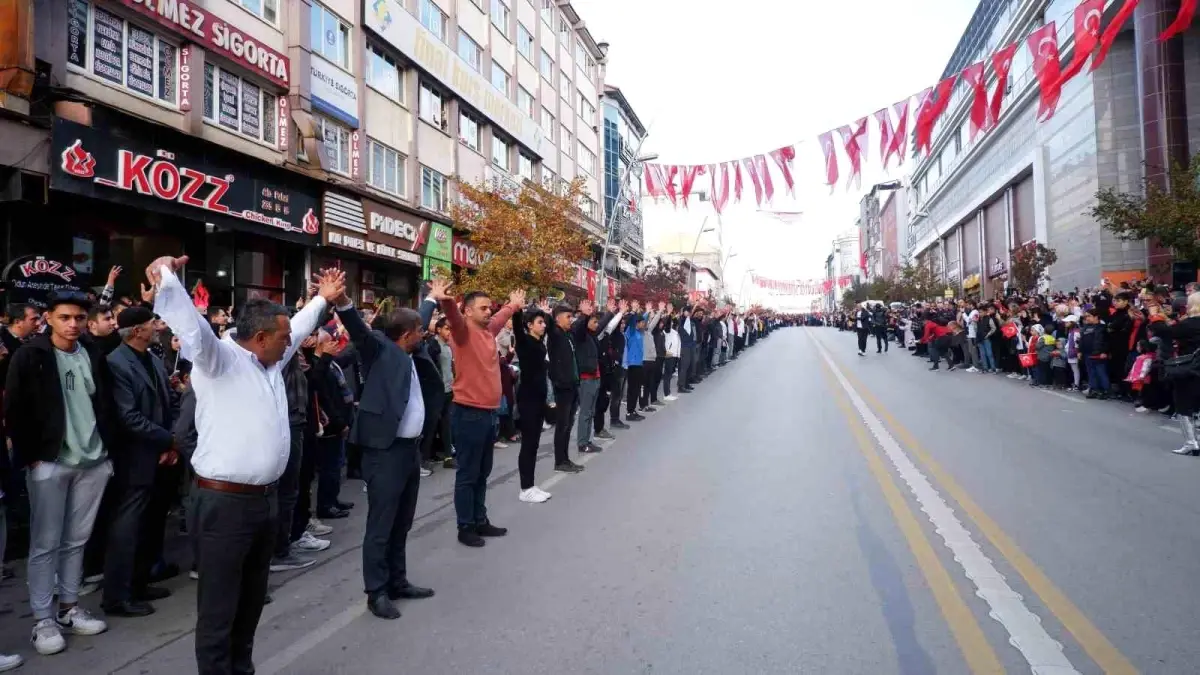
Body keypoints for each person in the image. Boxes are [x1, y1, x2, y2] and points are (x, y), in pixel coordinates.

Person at [148, 253, 344, 675]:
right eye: (283, 336)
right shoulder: (218, 360)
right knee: (219, 607)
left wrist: (323, 299)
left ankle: (242, 668)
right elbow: (191, 327)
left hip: (263, 503)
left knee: (251, 602)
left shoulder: (270, 357)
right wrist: (167, 276)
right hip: (224, 506)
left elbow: (302, 325)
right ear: (258, 337)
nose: (291, 341)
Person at [6, 290, 114, 656]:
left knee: (76, 540)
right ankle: (43, 618)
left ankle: (69, 608)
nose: (73, 324)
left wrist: (107, 454)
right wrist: (31, 456)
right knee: (44, 542)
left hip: (93, 460)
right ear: (47, 317)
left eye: (79, 318)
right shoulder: (30, 355)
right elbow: (15, 408)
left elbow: (105, 403)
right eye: (65, 317)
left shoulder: (93, 354)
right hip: (50, 462)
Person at [335, 291, 437, 620]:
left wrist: (432, 299)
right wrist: (343, 304)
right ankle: (376, 591)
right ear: (407, 334)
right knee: (381, 524)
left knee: (402, 522)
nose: (425, 334)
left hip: (409, 451)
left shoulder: (411, 349)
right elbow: (359, 331)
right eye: (420, 330)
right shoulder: (379, 350)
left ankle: (397, 581)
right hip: (385, 452)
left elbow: (416, 317)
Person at [427, 278, 516, 547]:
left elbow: (501, 317)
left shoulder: (488, 332)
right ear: (468, 311)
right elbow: (453, 317)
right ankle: (465, 526)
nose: (489, 312)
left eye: (490, 308)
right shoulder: (462, 332)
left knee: (482, 472)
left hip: (488, 415)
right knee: (467, 474)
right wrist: (443, 300)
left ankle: (480, 519)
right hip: (469, 414)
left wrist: (513, 305)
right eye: (483, 308)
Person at [102, 306, 177, 618]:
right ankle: (118, 596)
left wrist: (170, 442)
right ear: (135, 330)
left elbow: (167, 403)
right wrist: (167, 440)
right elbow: (128, 417)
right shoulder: (116, 363)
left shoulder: (154, 359)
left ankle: (141, 581)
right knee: (127, 528)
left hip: (160, 453)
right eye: (151, 323)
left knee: (151, 523)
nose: (157, 326)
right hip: (134, 457)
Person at [510, 302, 551, 502]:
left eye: (544, 322)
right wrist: (517, 309)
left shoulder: (540, 344)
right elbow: (517, 328)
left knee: (533, 445)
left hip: (539, 399)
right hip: (528, 400)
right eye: (540, 322)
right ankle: (525, 488)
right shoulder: (525, 342)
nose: (543, 325)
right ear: (529, 325)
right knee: (528, 445)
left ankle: (531, 485)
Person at [574, 299, 622, 456]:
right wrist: (584, 315)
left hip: (596, 377)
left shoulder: (592, 335)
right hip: (586, 378)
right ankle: (582, 442)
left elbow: (603, 325)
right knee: (585, 412)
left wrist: (610, 312)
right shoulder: (580, 335)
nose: (596, 325)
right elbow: (580, 327)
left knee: (591, 411)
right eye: (593, 322)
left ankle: (587, 440)